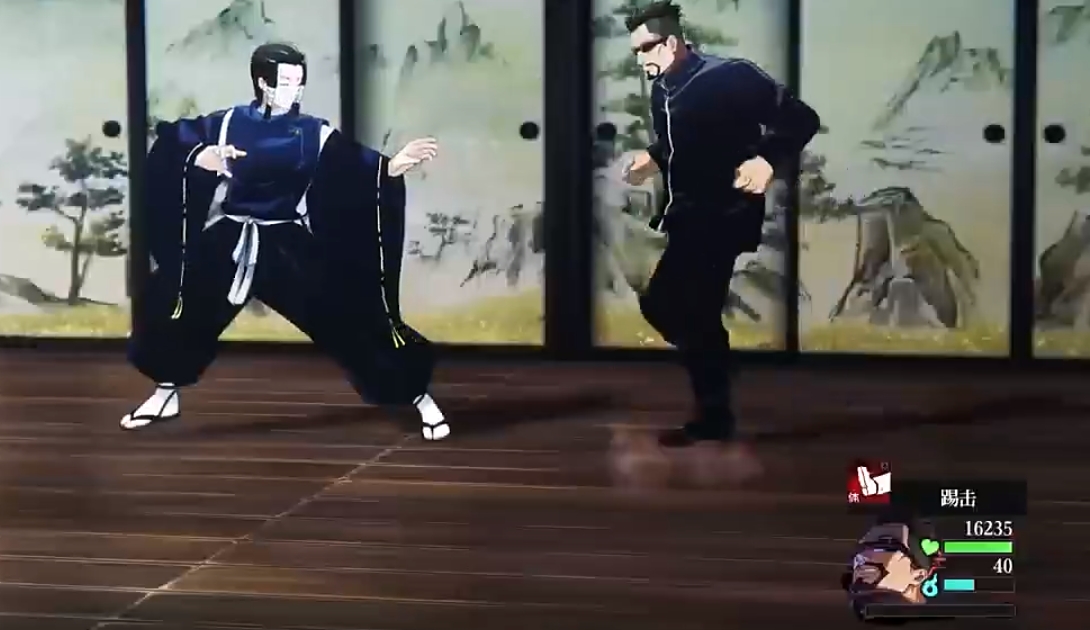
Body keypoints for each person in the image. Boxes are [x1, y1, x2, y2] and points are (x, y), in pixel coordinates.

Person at [123, 42, 450, 441]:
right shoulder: (226, 122)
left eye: (300, 81)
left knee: (349, 314)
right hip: (232, 234)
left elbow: (357, 168)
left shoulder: (314, 132)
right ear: (263, 83)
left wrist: (392, 166)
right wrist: (203, 156)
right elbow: (175, 143)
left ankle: (417, 396)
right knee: (178, 301)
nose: (296, 89)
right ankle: (165, 393)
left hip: (283, 239)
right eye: (288, 81)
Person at [621, 2, 820, 468]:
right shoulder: (662, 88)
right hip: (686, 214)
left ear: (672, 42)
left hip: (725, 213)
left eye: (645, 49)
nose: (640, 60)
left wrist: (766, 160)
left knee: (689, 309)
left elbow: (801, 118)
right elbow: (685, 140)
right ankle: (716, 376)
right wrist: (652, 159)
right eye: (635, 52)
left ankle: (714, 408)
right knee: (669, 308)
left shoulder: (730, 76)